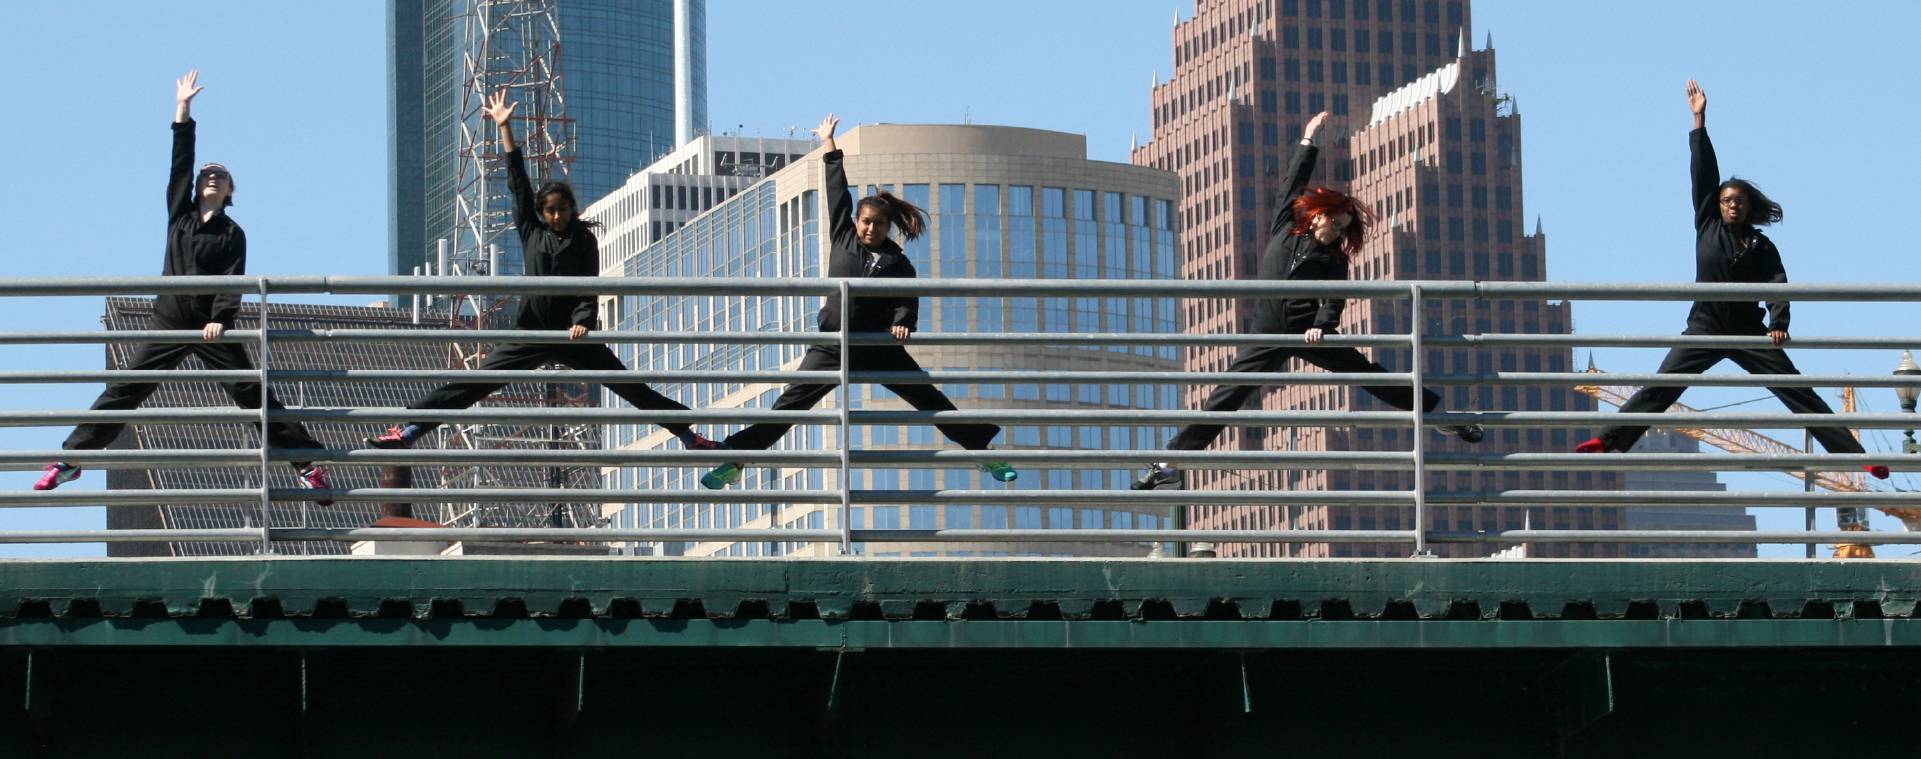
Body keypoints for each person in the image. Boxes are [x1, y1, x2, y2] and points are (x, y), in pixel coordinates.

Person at [1133, 111, 1483, 491]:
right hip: (1266, 333)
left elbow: (1334, 298)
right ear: (1318, 216)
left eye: (1344, 230)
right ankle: (1168, 465)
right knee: (1227, 394)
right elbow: (1292, 183)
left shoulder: (1334, 259)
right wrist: (1307, 141)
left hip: (1306, 332)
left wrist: (1322, 325)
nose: (1338, 232)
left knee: (1365, 372)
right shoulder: (1284, 227)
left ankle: (1441, 415)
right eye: (1336, 224)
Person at [35, 72, 336, 500]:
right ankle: (71, 460)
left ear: (232, 189)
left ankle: (307, 465)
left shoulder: (233, 232)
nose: (211, 177)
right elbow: (180, 162)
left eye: (221, 175)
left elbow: (233, 281)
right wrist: (183, 110)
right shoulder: (180, 215)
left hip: (210, 326)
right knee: (125, 390)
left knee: (252, 393)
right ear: (196, 187)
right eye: (206, 175)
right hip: (169, 319)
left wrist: (220, 318)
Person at [367, 90, 720, 453]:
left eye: (562, 209)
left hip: (573, 335)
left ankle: (690, 437)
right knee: (473, 383)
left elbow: (588, 285)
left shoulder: (584, 239)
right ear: (542, 212)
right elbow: (518, 182)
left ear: (571, 208)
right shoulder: (532, 231)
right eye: (549, 210)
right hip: (532, 331)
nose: (555, 216)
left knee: (629, 387)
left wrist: (584, 319)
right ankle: (408, 432)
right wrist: (505, 128)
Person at [1575, 80, 1889, 481]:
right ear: (1718, 205)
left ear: (1748, 207)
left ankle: (1853, 455)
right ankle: (1609, 440)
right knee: (1662, 386)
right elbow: (1702, 172)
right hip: (1704, 327)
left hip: (1747, 331)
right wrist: (1698, 120)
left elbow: (1778, 282)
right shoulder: (1707, 222)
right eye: (1726, 200)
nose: (1732, 205)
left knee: (1798, 392)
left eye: (1738, 201)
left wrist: (1778, 323)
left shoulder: (1760, 244)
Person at [700, 114, 1014, 489]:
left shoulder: (898, 262)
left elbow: (907, 298)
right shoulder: (842, 237)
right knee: (790, 405)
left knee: (928, 397)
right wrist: (829, 145)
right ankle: (736, 460)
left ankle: (983, 452)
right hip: (833, 344)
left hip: (877, 345)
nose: (870, 228)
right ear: (856, 222)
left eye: (877, 224)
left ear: (887, 227)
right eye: (865, 221)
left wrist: (904, 321)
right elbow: (837, 190)